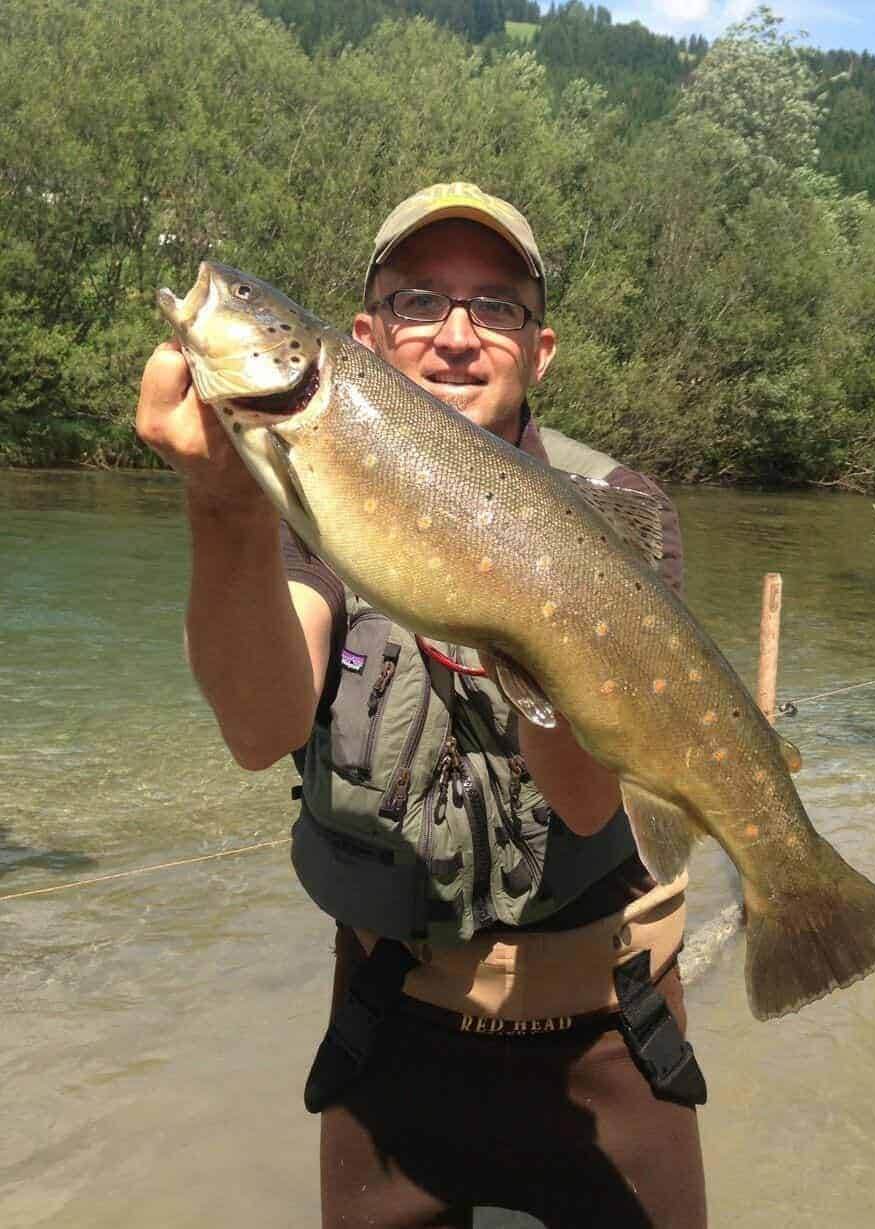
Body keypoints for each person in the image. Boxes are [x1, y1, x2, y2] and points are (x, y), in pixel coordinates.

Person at [135, 183, 707, 1229]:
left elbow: (586, 806)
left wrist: (523, 607)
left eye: (495, 306)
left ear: (540, 349)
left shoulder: (620, 512)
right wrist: (221, 508)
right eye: (417, 303)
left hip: (611, 1036)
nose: (456, 336)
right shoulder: (312, 483)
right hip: (391, 1030)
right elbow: (261, 730)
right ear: (363, 336)